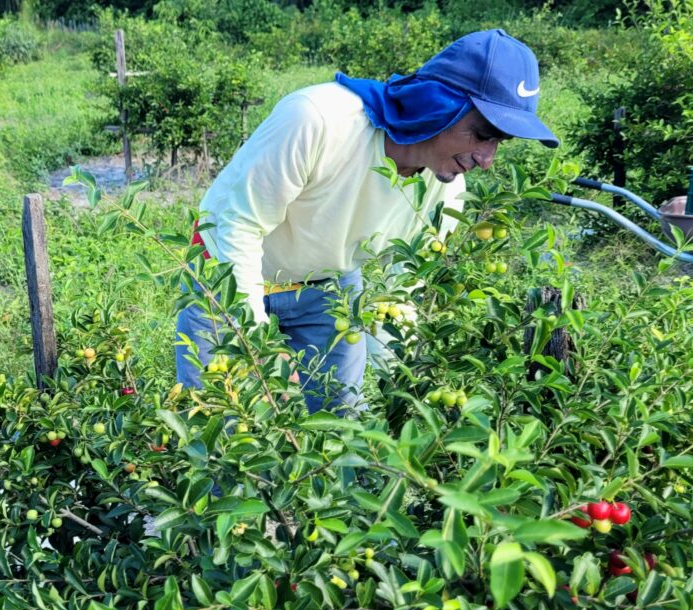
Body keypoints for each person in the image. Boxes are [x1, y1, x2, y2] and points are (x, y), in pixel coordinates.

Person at [176, 29, 559, 412]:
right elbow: (237, 226)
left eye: (498, 142)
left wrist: (409, 388)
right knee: (221, 425)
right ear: (438, 105)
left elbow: (402, 289)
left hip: (330, 287)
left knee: (338, 424)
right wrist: (256, 346)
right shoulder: (317, 120)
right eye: (481, 134)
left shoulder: (447, 188)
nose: (486, 159)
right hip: (227, 271)